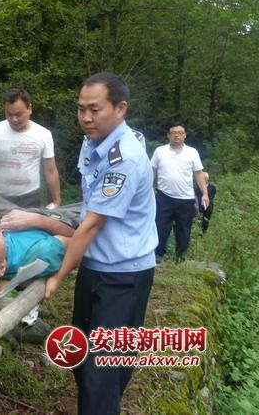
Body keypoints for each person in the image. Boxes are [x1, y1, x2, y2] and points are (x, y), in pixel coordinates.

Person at [44, 72, 158, 415]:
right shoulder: (93, 143)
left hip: (123, 275)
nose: (86, 117)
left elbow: (92, 223)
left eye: (95, 109)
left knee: (102, 370)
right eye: (81, 109)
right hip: (95, 267)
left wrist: (59, 276)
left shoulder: (125, 159)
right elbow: (87, 209)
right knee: (83, 360)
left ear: (120, 109)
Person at [0, 88, 62, 216]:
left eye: (19, 114)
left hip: (30, 199)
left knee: (27, 229)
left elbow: (51, 170)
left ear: (30, 109)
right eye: (9, 114)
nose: (14, 119)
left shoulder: (43, 134)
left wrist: (57, 201)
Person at [150, 122, 209, 262]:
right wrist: (147, 189)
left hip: (185, 198)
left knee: (184, 229)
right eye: (173, 133)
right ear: (168, 135)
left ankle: (180, 258)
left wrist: (205, 193)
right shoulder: (160, 151)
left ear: (185, 135)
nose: (177, 135)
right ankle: (158, 255)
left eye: (180, 133)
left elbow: (199, 173)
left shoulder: (192, 152)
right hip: (164, 196)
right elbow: (152, 170)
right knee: (160, 226)